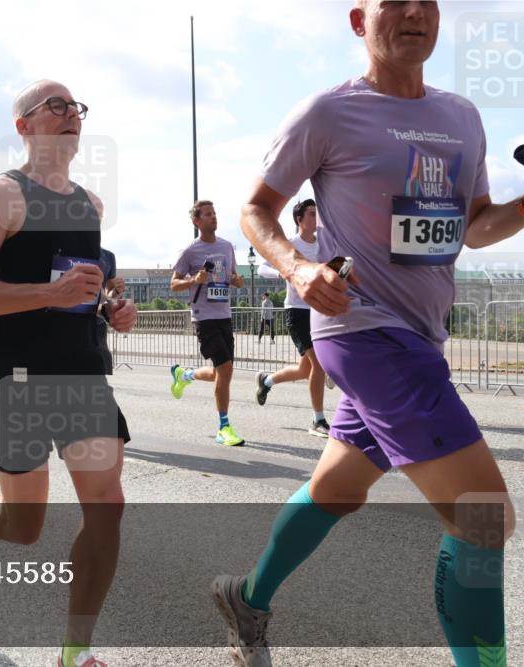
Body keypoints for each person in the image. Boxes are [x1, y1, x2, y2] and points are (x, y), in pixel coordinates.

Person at [212, 3, 520, 666]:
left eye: (428, 0)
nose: (415, 11)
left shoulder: (463, 117)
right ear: (359, 20)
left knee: (338, 489)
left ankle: (248, 597)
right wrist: (297, 265)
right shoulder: (327, 113)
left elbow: (476, 225)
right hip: (362, 331)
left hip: (421, 336)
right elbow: (256, 208)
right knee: (483, 517)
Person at [0, 80, 136, 667]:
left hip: (83, 375)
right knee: (23, 526)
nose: (71, 115)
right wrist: (49, 292)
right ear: (24, 126)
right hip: (18, 377)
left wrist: (113, 305)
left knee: (107, 506)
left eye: (77, 108)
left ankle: (75, 651)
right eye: (56, 107)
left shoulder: (90, 205)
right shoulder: (4, 196)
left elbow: (88, 282)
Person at [168, 200, 248, 446]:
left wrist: (237, 281)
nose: (214, 217)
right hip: (204, 317)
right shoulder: (190, 251)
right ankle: (224, 427)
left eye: (215, 213)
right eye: (208, 214)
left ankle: (184, 374)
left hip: (224, 315)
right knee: (224, 370)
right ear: (196, 221)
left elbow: (234, 277)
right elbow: (173, 283)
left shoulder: (226, 247)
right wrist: (194, 279)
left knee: (220, 372)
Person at [255, 199, 331, 437]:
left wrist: (342, 268)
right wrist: (282, 270)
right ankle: (318, 420)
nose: (316, 218)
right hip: (297, 312)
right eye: (311, 214)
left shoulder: (324, 245)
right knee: (318, 365)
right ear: (300, 220)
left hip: (320, 310)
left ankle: (266, 381)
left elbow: (335, 265)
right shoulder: (289, 244)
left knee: (304, 370)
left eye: (318, 214)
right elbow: (261, 268)